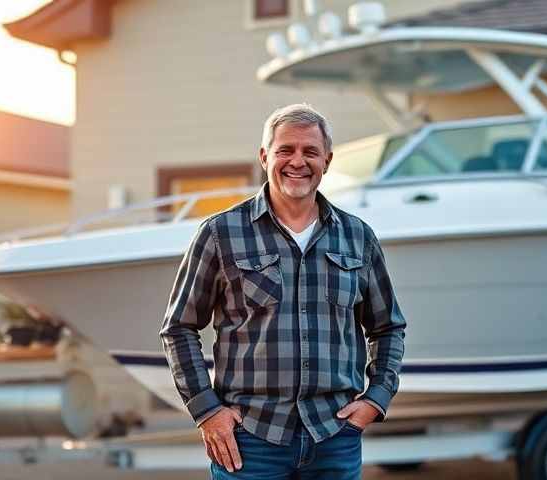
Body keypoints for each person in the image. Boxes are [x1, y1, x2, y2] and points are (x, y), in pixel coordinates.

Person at [160, 103, 406, 479]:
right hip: (250, 441)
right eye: (285, 150)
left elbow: (387, 326)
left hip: (334, 436)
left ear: (327, 160)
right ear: (264, 156)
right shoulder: (220, 234)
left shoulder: (358, 237)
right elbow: (178, 327)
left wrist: (377, 397)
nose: (298, 161)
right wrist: (207, 411)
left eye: (310, 151)